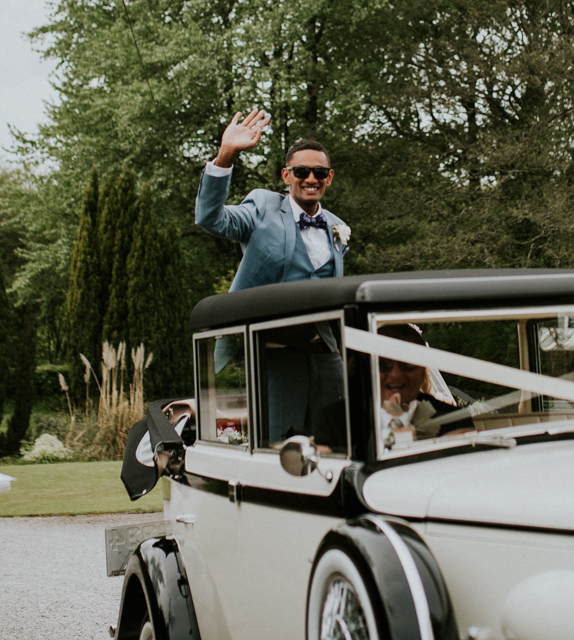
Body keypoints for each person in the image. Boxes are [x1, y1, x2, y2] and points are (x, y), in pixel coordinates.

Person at [195, 109, 351, 291]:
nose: (311, 179)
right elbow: (210, 219)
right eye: (301, 171)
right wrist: (226, 154)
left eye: (319, 172)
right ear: (286, 176)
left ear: (329, 177)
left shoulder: (337, 225)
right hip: (261, 318)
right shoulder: (262, 207)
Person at [376, 324, 473, 445]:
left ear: (423, 372)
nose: (396, 374)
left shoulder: (455, 420)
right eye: (383, 363)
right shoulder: (347, 420)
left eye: (407, 363)